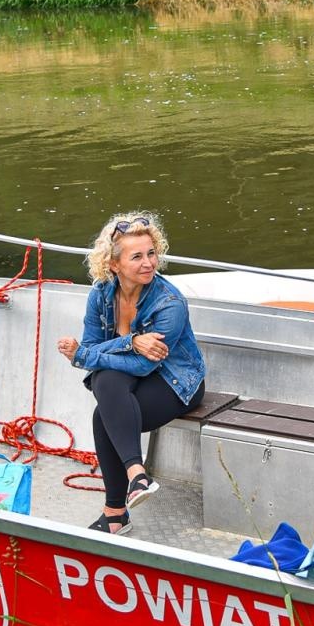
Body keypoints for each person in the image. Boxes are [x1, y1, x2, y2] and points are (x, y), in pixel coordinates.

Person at [57, 213, 206, 535]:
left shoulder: (169, 303)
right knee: (105, 379)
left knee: (103, 411)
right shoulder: (101, 294)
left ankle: (116, 512)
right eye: (137, 256)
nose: (149, 263)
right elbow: (100, 348)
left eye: (151, 253)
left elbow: (141, 365)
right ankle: (136, 476)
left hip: (176, 382)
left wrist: (83, 354)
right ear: (114, 265)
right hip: (132, 377)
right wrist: (133, 341)